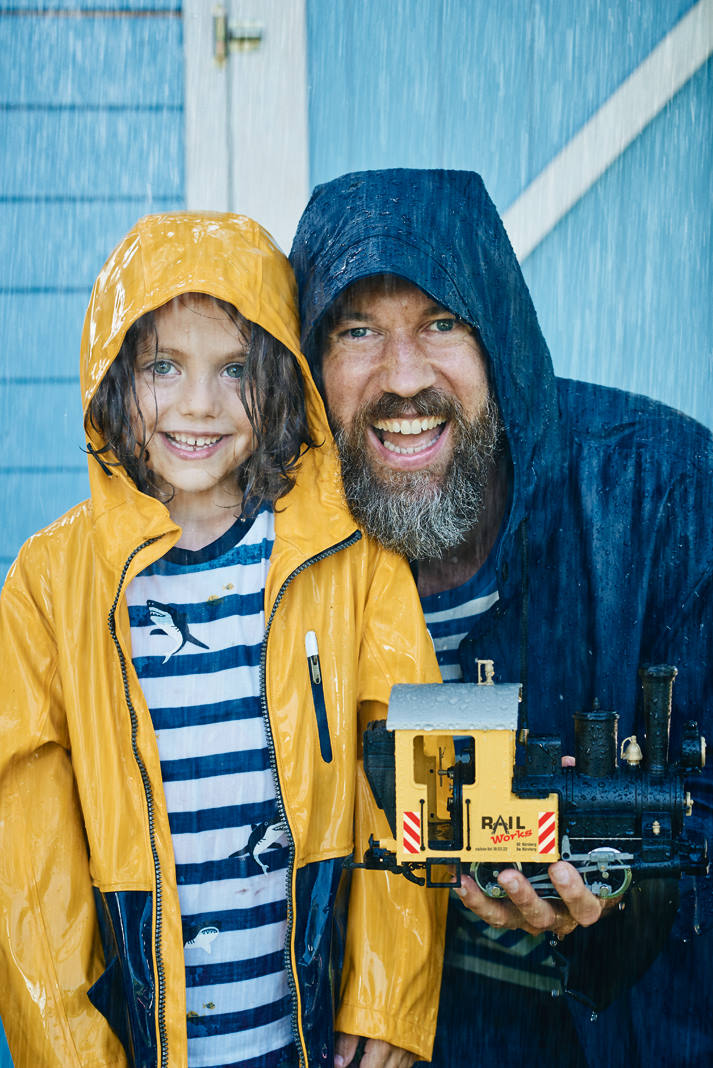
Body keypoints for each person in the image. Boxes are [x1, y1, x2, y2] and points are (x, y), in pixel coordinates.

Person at [0, 211, 447, 1068]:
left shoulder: (352, 560)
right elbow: (27, 856)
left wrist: (390, 995)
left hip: (309, 1039)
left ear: (280, 380)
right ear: (111, 381)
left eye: (234, 369)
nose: (198, 405)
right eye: (162, 365)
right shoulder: (49, 585)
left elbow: (411, 770)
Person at [289, 168, 713, 1067]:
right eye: (358, 330)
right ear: (306, 363)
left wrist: (623, 899)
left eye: (442, 323)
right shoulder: (275, 546)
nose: (404, 379)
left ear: (502, 341)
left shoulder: (664, 493)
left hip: (626, 1030)